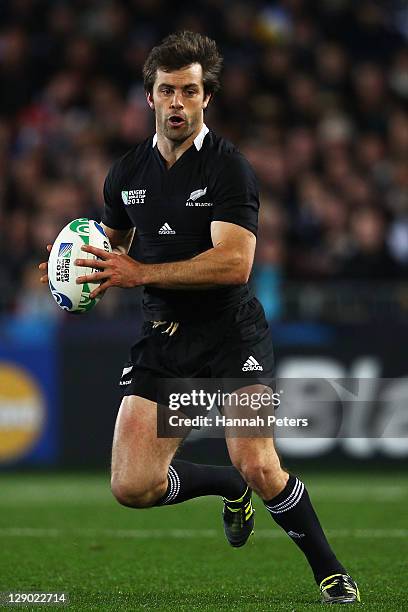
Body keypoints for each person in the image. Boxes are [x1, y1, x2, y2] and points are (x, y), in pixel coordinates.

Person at [39, 31, 360, 605]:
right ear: (150, 97)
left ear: (205, 97)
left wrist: (142, 273)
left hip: (233, 336)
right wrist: (75, 270)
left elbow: (235, 263)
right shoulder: (125, 174)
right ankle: (221, 484)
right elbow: (112, 249)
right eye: (168, 91)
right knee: (131, 486)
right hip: (165, 338)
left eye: (190, 90)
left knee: (259, 463)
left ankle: (330, 571)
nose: (179, 103)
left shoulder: (228, 168)